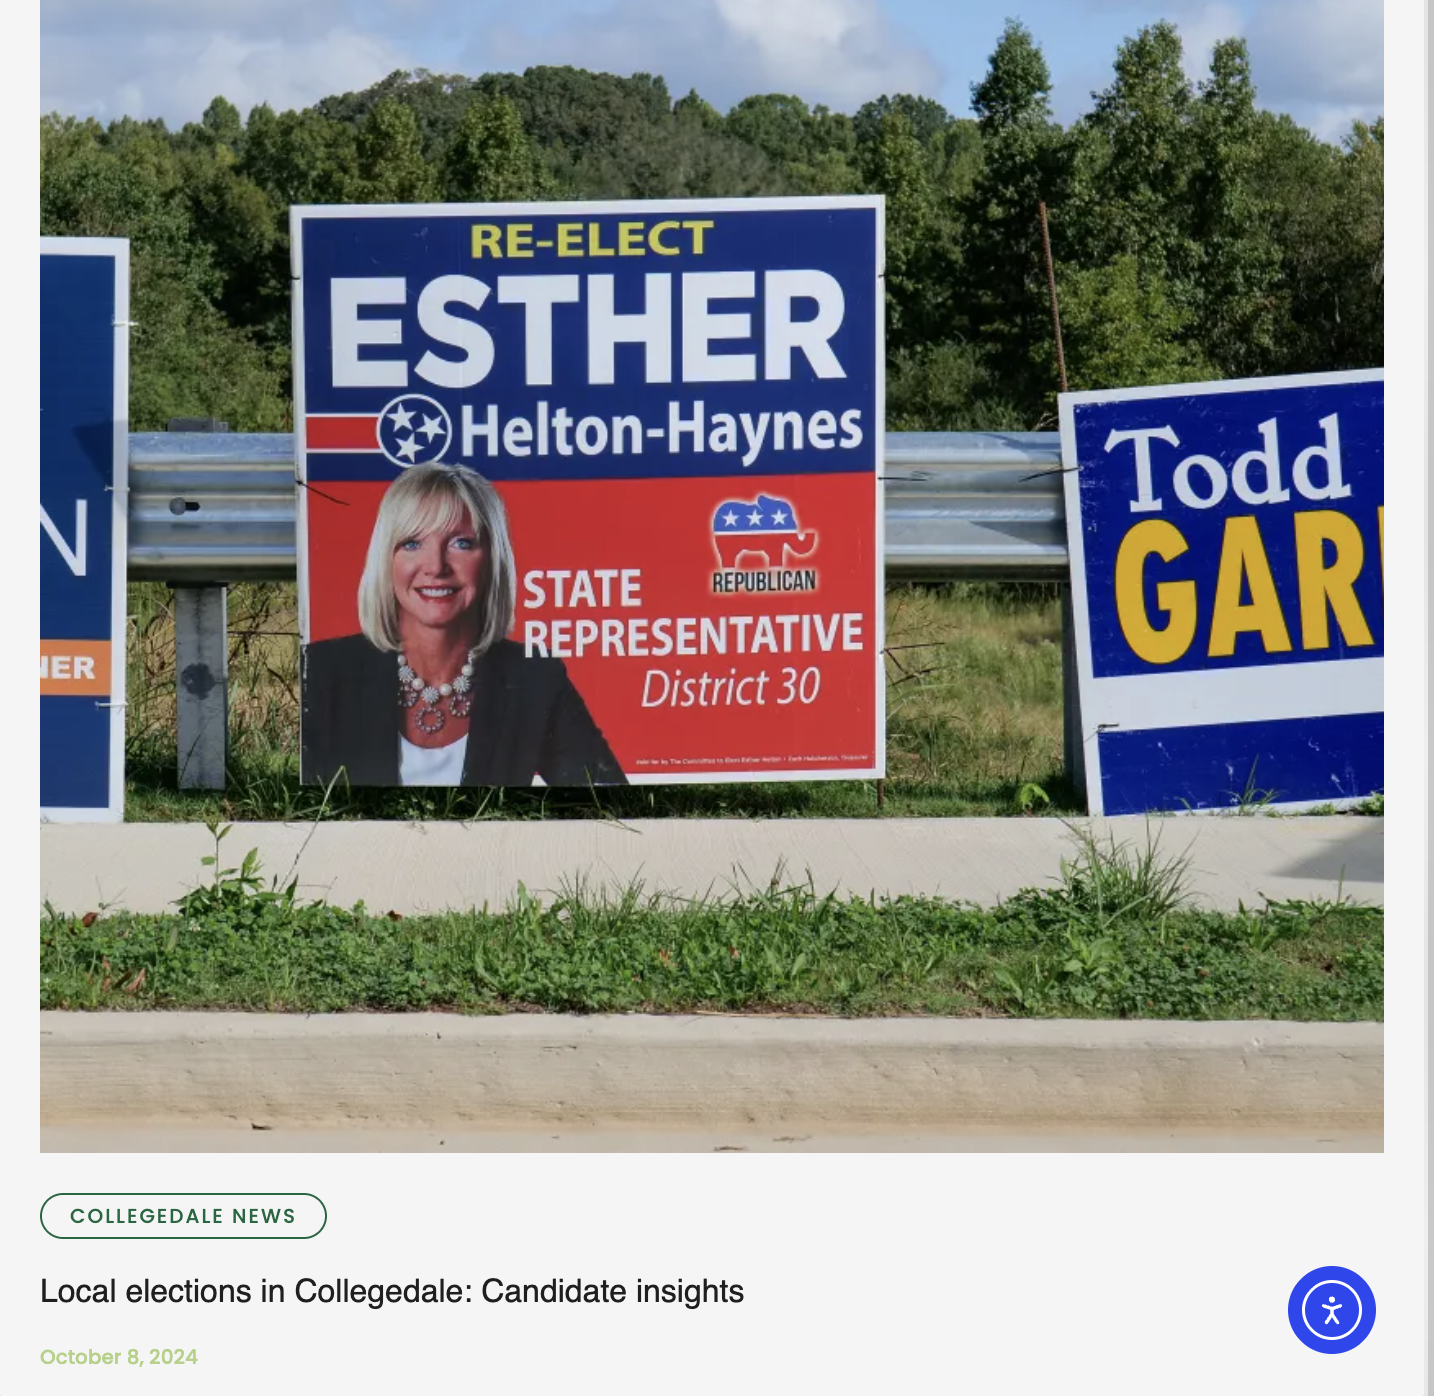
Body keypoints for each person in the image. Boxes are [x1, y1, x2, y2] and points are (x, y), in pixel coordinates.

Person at [302, 462, 625, 787]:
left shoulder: (535, 677)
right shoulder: (320, 672)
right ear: (387, 560)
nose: (435, 566)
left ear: (491, 560)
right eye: (412, 543)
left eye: (461, 543)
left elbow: (611, 801)